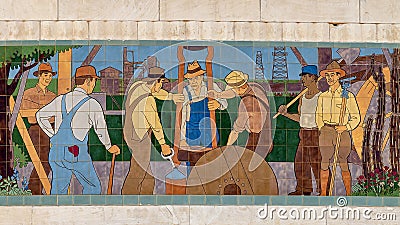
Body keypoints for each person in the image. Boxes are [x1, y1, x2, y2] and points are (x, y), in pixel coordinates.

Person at [36, 65, 120, 195]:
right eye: (94, 81)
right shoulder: (92, 104)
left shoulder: (61, 99)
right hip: (75, 153)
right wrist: (109, 147)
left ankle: (58, 214)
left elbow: (40, 115)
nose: (94, 84)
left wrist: (53, 135)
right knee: (93, 186)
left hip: (56, 152)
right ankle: (87, 214)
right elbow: (101, 129)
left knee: (59, 190)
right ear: (88, 81)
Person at [122, 66, 184, 194]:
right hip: (140, 137)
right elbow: (155, 124)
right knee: (138, 170)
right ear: (156, 81)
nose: (161, 87)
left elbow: (156, 91)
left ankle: (146, 194)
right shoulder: (148, 100)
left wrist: (171, 97)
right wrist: (163, 144)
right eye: (161, 83)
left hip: (129, 132)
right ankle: (127, 195)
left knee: (145, 171)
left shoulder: (138, 86)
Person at [208, 70, 273, 170]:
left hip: (256, 142)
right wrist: (218, 95)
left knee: (245, 170)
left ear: (239, 88)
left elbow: (236, 131)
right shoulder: (255, 87)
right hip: (267, 139)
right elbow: (234, 92)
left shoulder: (246, 103)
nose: (234, 92)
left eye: (234, 89)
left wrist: (227, 148)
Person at [316, 61, 360, 196]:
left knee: (343, 163)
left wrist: (346, 126)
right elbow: (319, 115)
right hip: (326, 131)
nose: (329, 78)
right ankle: (324, 194)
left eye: (332, 75)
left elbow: (356, 117)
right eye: (327, 75)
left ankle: (348, 194)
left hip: (342, 131)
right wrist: (322, 128)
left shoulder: (347, 96)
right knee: (324, 162)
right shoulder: (323, 96)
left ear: (338, 76)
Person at [278, 65, 321, 195]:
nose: (302, 79)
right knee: (300, 163)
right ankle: (304, 189)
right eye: (302, 76)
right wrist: (286, 114)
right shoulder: (302, 97)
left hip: (316, 133)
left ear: (313, 78)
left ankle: (323, 190)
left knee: (317, 163)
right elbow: (300, 117)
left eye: (305, 76)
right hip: (304, 132)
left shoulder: (321, 97)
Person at [20, 63, 57, 195]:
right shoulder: (28, 94)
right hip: (36, 131)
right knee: (42, 161)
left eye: (50, 76)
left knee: (49, 161)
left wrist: (42, 115)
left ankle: (35, 189)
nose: (47, 78)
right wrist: (44, 116)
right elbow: (30, 118)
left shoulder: (53, 96)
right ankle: (34, 190)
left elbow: (55, 117)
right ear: (39, 76)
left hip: (50, 131)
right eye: (45, 75)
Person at [180, 61, 227, 149]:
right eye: (190, 79)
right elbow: (182, 116)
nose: (193, 82)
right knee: (192, 156)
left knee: (210, 155)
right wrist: (182, 138)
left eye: (196, 78)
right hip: (192, 129)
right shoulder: (186, 91)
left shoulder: (211, 86)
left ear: (202, 76)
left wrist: (218, 104)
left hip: (209, 128)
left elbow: (224, 102)